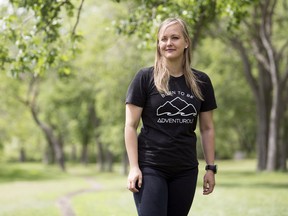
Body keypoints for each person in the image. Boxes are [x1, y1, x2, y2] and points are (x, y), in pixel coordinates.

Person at [124, 17, 217, 216]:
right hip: (150, 167)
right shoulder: (145, 78)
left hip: (185, 170)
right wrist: (133, 167)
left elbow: (207, 128)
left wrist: (210, 168)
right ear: (158, 44)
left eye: (175, 37)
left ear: (186, 42)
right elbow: (130, 126)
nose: (169, 43)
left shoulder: (201, 81)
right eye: (163, 38)